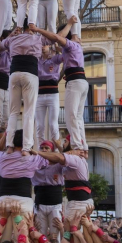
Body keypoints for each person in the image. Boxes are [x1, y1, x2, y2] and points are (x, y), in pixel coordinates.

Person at [33, 16, 88, 151]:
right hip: (80, 81)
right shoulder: (73, 47)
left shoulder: (70, 45)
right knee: (78, 117)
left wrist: (68, 24)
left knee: (71, 116)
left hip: (74, 82)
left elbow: (57, 39)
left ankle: (76, 145)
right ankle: (83, 146)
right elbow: (60, 50)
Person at [0, 17, 42, 152]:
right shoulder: (38, 38)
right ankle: (26, 148)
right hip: (30, 74)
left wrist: (5, 36)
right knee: (28, 112)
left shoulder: (13, 39)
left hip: (14, 74)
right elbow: (57, 38)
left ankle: (9, 146)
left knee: (13, 112)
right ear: (32, 26)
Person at [34, 134, 93, 219]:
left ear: (72, 144)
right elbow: (62, 156)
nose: (63, 144)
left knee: (71, 230)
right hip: (77, 201)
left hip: (78, 202)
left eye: (65, 141)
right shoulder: (74, 157)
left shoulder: (75, 158)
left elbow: (59, 157)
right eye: (42, 148)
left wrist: (37, 152)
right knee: (74, 229)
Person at [0, 129, 49, 217]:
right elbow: (51, 159)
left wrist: (6, 134)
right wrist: (35, 152)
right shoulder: (33, 159)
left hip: (4, 201)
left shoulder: (1, 157)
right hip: (23, 202)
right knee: (22, 230)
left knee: (2, 229)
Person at [32, 140, 64, 243]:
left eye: (47, 148)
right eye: (42, 148)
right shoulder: (35, 164)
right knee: (40, 234)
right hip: (40, 203)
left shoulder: (58, 165)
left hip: (55, 204)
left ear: (52, 151)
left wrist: (58, 144)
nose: (44, 150)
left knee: (55, 236)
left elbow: (66, 156)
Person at [36, 43, 63, 145]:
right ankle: (41, 148)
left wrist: (56, 47)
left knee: (53, 125)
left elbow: (66, 55)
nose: (43, 47)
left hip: (53, 95)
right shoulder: (36, 60)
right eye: (42, 45)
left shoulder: (55, 59)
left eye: (45, 45)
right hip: (39, 95)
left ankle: (56, 149)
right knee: (39, 126)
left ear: (50, 47)